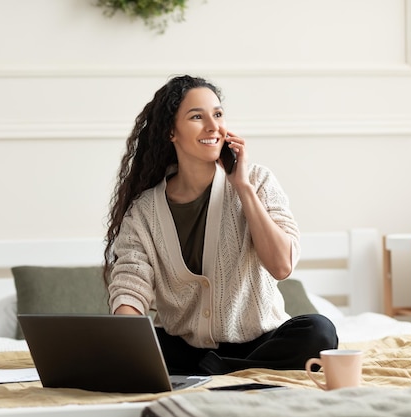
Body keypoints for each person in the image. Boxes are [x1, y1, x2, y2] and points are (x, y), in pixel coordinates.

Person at [103, 75, 338, 375]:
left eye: (217, 114)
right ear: (171, 132)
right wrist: (124, 342)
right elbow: (130, 285)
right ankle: (226, 372)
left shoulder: (258, 181)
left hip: (258, 343)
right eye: (197, 117)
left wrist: (242, 187)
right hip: (182, 348)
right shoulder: (145, 211)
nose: (213, 126)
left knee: (319, 331)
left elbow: (282, 266)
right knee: (133, 346)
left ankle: (212, 372)